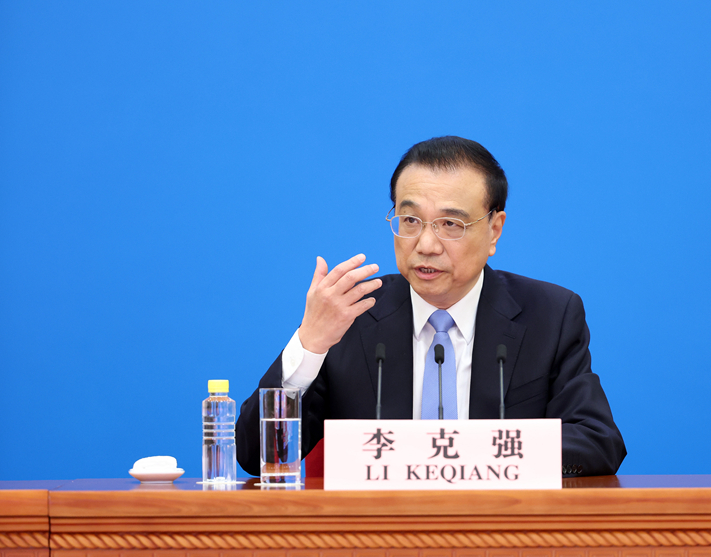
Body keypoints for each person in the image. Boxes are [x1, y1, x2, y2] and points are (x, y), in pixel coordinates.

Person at [236, 136, 626, 476]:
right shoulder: (351, 316)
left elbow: (597, 442)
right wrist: (310, 344)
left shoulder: (549, 314)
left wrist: (460, 453)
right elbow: (256, 454)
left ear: (494, 230)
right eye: (410, 220)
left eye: (450, 224)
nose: (425, 245)